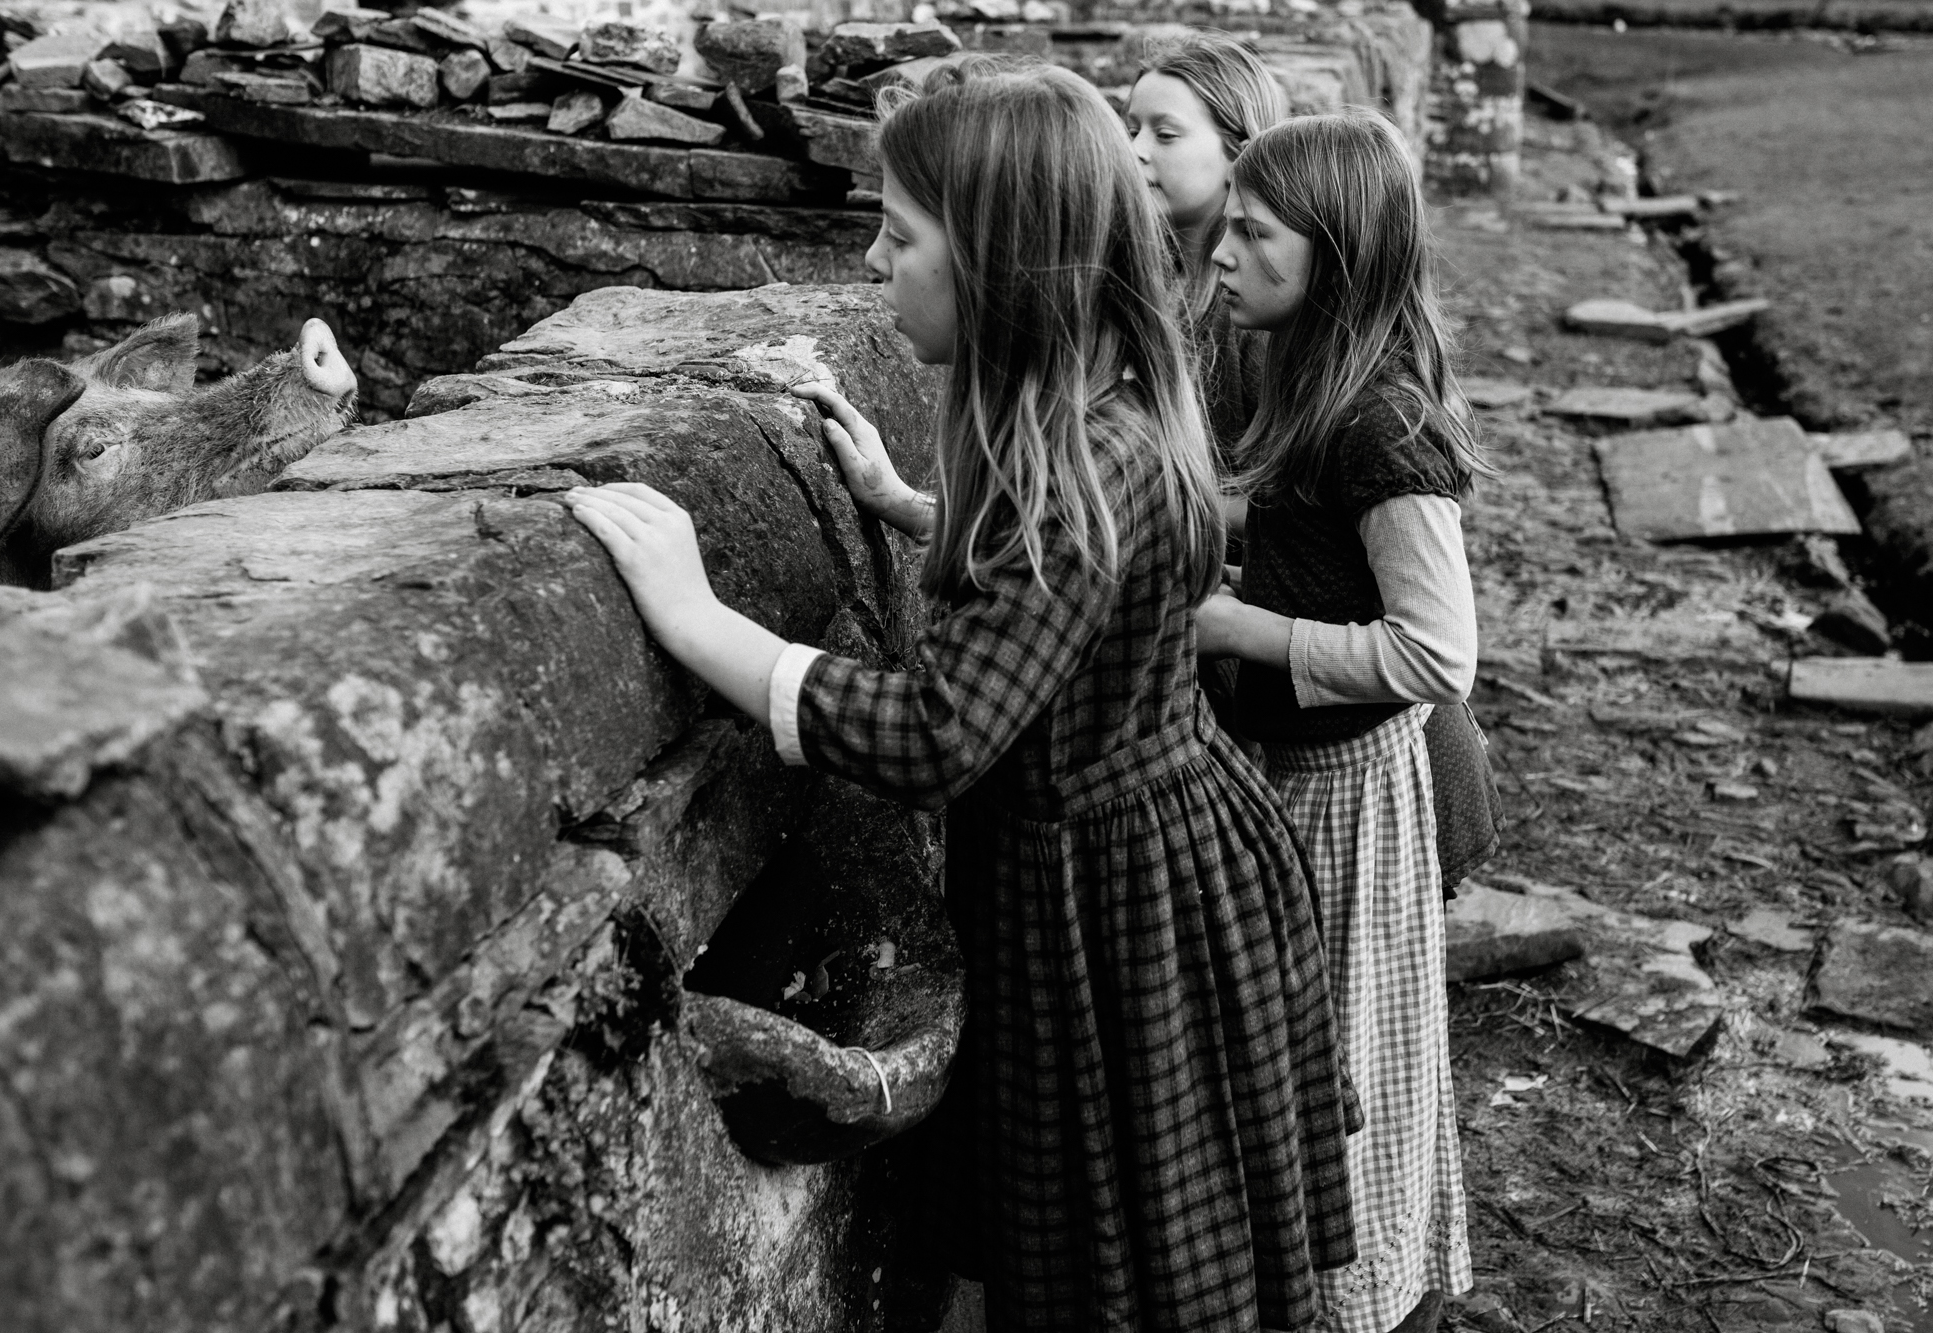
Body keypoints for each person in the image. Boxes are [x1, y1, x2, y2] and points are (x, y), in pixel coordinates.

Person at [567, 59, 1359, 1333]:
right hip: (1160, 845)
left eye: (897, 233)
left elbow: (939, 732)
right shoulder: (1106, 412)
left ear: (996, 263)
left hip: (1113, 905)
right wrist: (909, 505)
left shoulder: (1070, 479)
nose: (873, 260)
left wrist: (697, 618)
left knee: (1124, 1267)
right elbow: (1063, 601)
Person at [1194, 108, 1494, 1333]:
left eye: (1251, 233)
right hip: (1295, 779)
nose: (1219, 254)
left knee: (1344, 1072)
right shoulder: (1301, 381)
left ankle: (1360, 1303)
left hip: (1351, 800)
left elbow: (1436, 651)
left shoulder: (1381, 426)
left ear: (1333, 253)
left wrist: (1238, 632)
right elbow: (1290, 541)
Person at [1124, 30, 1286, 461]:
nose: (1134, 150)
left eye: (1166, 134)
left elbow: (1298, 510)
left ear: (1239, 152)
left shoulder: (1263, 313)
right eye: (1132, 129)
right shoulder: (1130, 279)